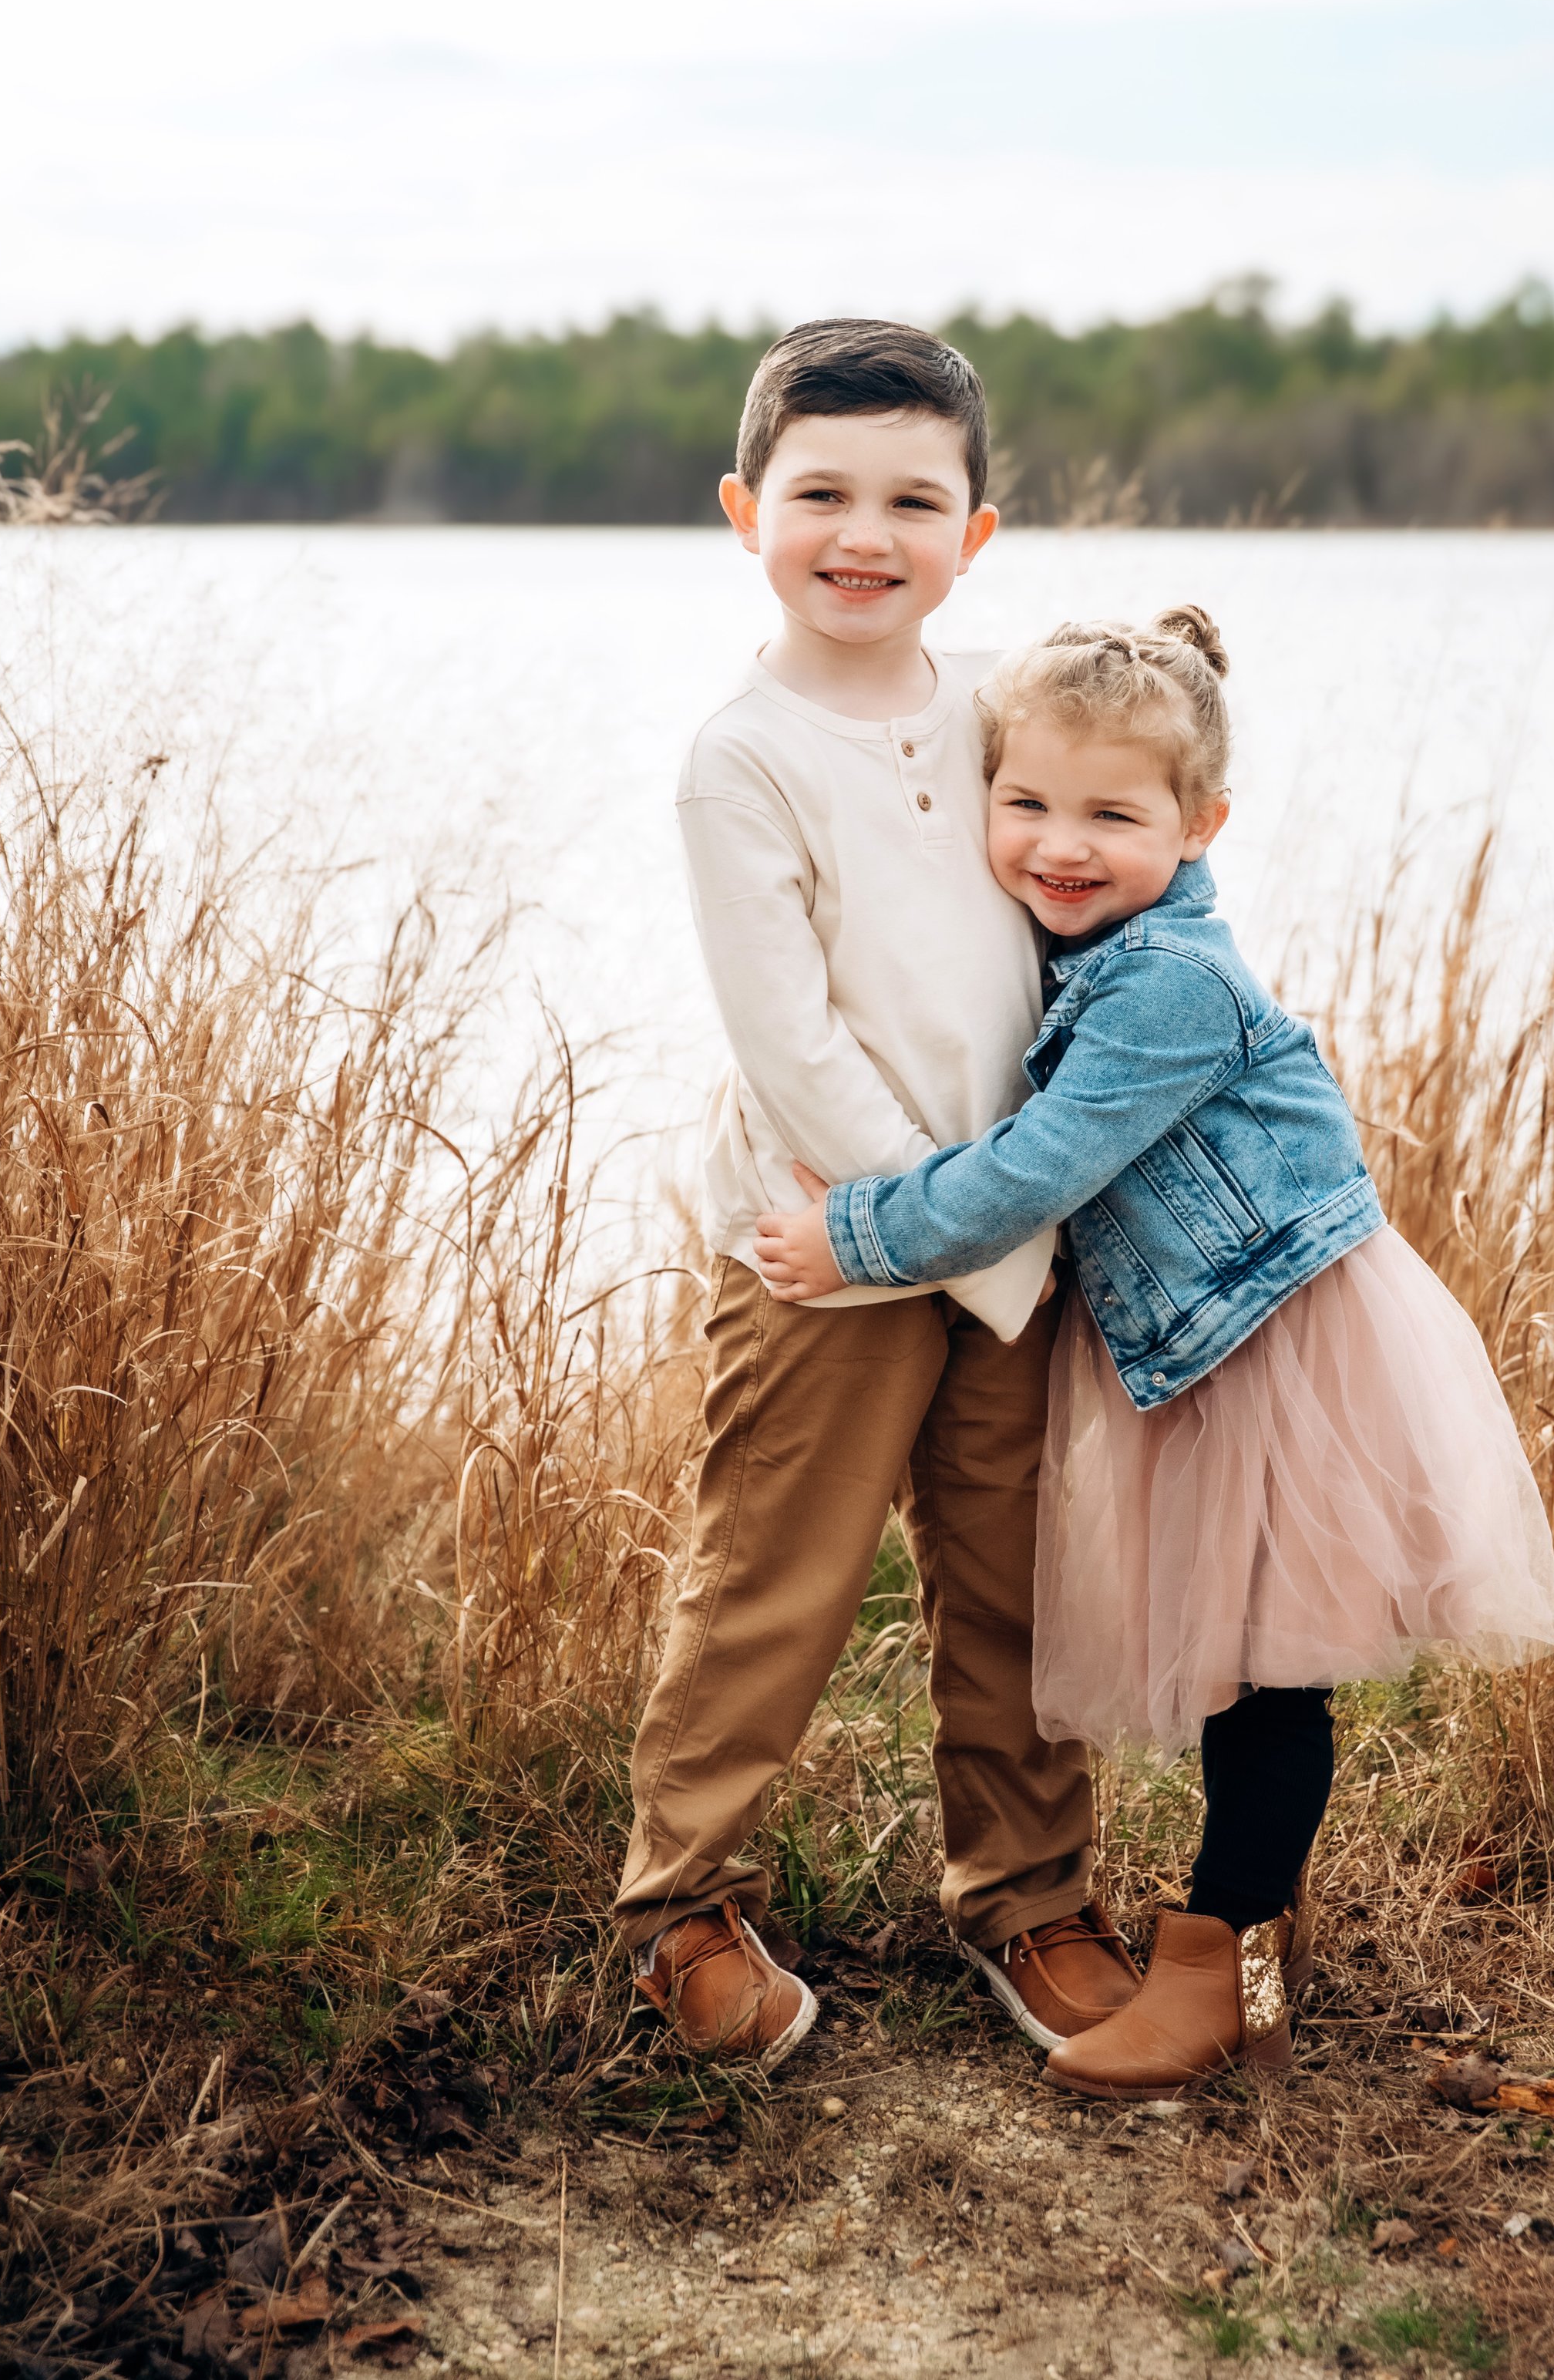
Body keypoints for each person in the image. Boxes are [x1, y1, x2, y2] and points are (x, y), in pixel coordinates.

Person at [753, 606, 1554, 2099]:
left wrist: (853, 1236)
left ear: (1200, 826)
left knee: (1266, 1679)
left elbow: (1031, 1169)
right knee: (1238, 1674)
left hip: (1277, 1348)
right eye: (1027, 803)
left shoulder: (1171, 984)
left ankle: (1213, 1974)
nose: (1060, 844)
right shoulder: (1083, 942)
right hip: (1198, 1350)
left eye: (1110, 815)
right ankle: (1252, 1958)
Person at [616, 320, 1139, 2071]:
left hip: (1017, 1238)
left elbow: (1099, 874)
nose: (865, 533)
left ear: (973, 532)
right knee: (773, 1574)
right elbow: (795, 1052)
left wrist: (1034, 1207)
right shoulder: (742, 757)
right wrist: (945, 1227)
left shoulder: (999, 704)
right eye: (821, 492)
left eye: (914, 499)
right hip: (824, 1243)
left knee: (1012, 1583)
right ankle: (679, 1904)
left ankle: (1029, 1897)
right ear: (742, 509)